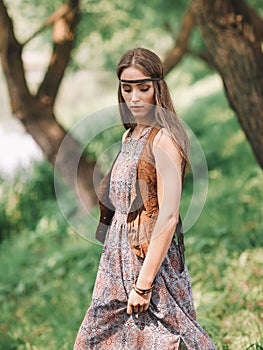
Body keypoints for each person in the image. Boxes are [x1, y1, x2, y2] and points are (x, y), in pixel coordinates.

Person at [74, 48, 216, 349]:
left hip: (149, 262)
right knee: (96, 340)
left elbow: (168, 215)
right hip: (115, 264)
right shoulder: (130, 135)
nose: (135, 97)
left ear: (158, 88)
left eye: (143, 88)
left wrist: (144, 282)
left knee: (168, 339)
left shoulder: (164, 139)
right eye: (127, 88)